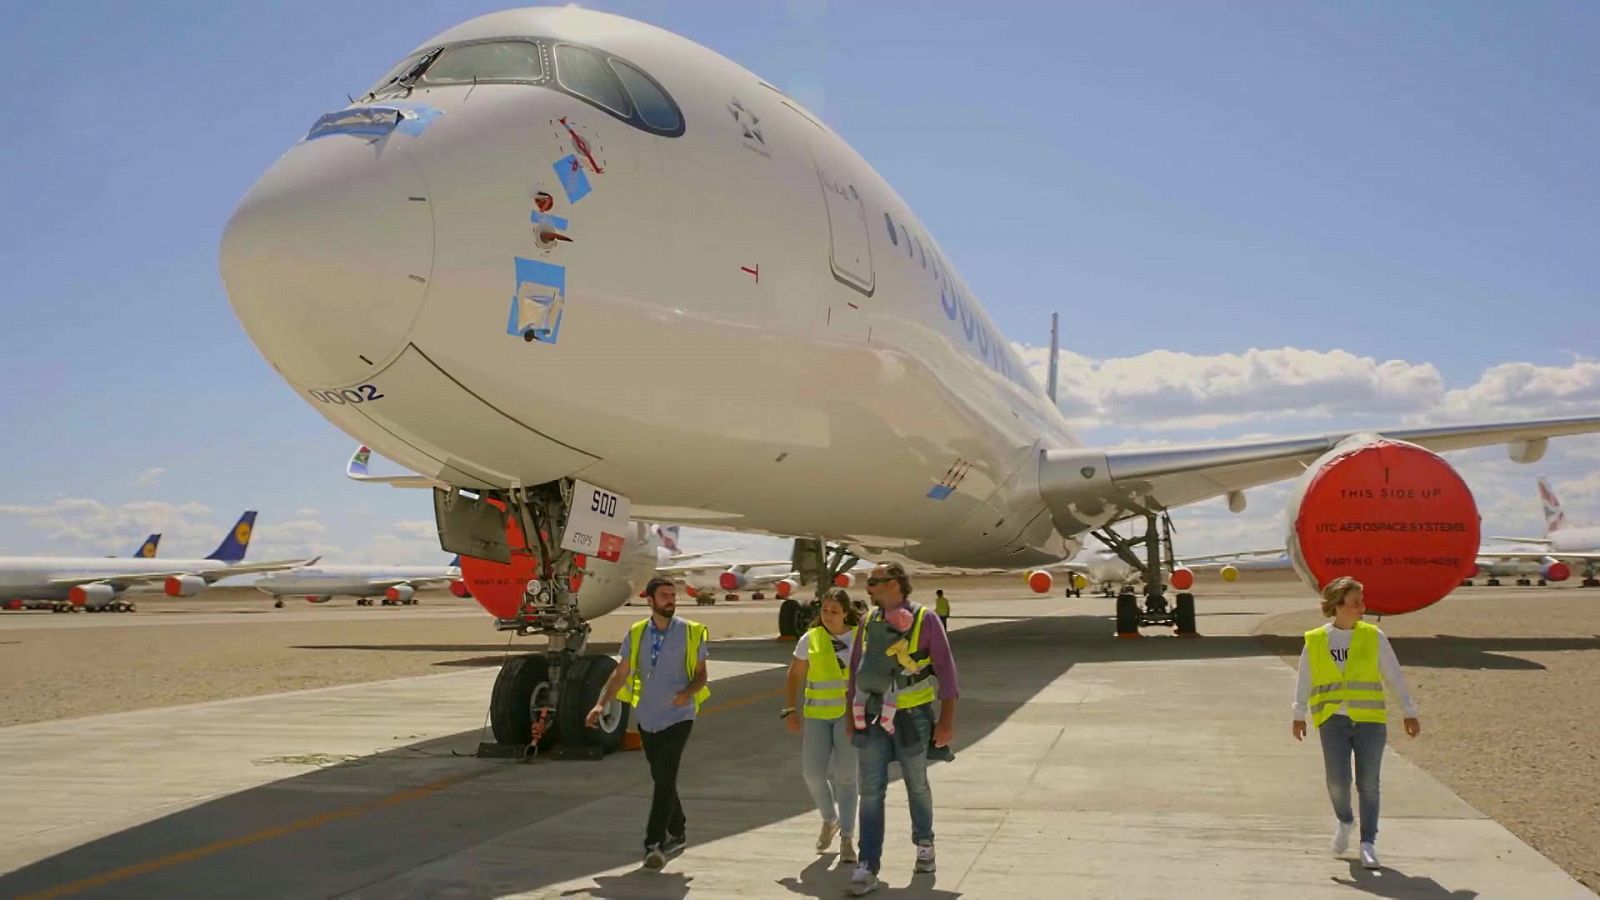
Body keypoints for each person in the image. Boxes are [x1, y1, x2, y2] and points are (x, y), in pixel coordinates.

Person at [845, 562, 959, 895]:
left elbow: (946, 672)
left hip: (913, 717)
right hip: (872, 715)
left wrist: (947, 720)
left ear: (895, 584)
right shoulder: (868, 622)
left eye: (875, 582)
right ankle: (867, 865)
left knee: (916, 784)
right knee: (870, 791)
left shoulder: (926, 620)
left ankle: (924, 845)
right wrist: (850, 715)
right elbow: (855, 671)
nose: (869, 588)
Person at [1292, 576, 1420, 871]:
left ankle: (1368, 843)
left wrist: (1408, 710)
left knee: (1368, 783)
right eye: (1354, 603)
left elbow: (1393, 674)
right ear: (1337, 606)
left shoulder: (1373, 636)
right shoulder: (1316, 639)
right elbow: (1305, 678)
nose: (1361, 607)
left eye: (1362, 601)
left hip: (1369, 721)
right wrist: (1298, 714)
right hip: (1332, 721)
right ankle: (1345, 820)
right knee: (1338, 783)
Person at [591, 576, 711, 869]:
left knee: (665, 776)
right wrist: (600, 704)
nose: (671, 599)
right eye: (665, 595)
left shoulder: (692, 632)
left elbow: (701, 675)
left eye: (673, 595)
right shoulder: (636, 633)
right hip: (647, 717)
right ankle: (679, 828)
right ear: (651, 600)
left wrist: (687, 694)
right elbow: (621, 673)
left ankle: (653, 843)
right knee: (662, 778)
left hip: (680, 716)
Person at [782, 588, 862, 864]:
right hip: (817, 714)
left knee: (846, 777)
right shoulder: (811, 638)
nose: (828, 616)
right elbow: (795, 674)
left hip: (849, 716)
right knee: (813, 774)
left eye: (834, 611)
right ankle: (830, 820)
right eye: (824, 610)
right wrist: (790, 708)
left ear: (846, 613)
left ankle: (848, 838)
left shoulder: (858, 638)